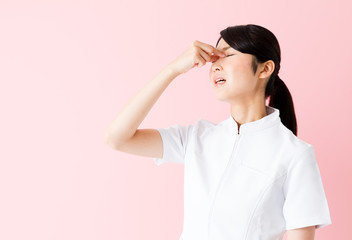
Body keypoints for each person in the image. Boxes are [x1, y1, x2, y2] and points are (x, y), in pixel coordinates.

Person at [104, 24, 332, 240]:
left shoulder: (295, 155)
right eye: (214, 57)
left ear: (265, 68)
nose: (215, 65)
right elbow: (118, 138)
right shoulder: (197, 138)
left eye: (228, 55)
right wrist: (172, 70)